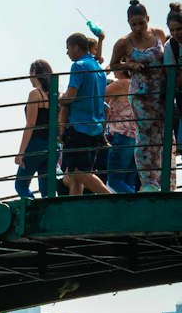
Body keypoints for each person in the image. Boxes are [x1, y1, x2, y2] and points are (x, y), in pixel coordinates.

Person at [108, 0, 171, 192]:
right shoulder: (124, 42)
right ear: (128, 23)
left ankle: (160, 179)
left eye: (141, 23)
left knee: (160, 136)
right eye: (133, 24)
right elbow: (113, 64)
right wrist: (129, 65)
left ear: (148, 19)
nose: (138, 27)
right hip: (141, 95)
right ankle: (147, 183)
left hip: (160, 92)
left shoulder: (159, 34)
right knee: (144, 138)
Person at [59, 32, 110, 196]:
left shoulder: (78, 65)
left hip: (79, 127)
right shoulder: (98, 68)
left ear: (75, 47)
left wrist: (59, 98)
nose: (67, 53)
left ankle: (111, 199)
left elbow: (71, 96)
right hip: (95, 128)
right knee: (77, 177)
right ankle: (75, 212)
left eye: (68, 49)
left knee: (76, 173)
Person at [14, 60, 56, 200]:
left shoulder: (35, 94)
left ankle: (34, 211)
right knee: (46, 189)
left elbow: (30, 123)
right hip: (51, 145)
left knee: (20, 185)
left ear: (34, 73)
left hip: (36, 144)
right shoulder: (52, 95)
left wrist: (21, 152)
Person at [104, 66, 139, 193]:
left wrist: (103, 73)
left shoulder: (120, 84)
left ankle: (138, 208)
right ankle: (133, 211)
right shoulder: (136, 84)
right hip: (136, 136)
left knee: (114, 181)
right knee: (128, 182)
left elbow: (96, 96)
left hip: (122, 135)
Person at [164, 3, 182, 152]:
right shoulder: (171, 46)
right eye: (172, 30)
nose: (176, 33)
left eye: (179, 29)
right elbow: (171, 77)